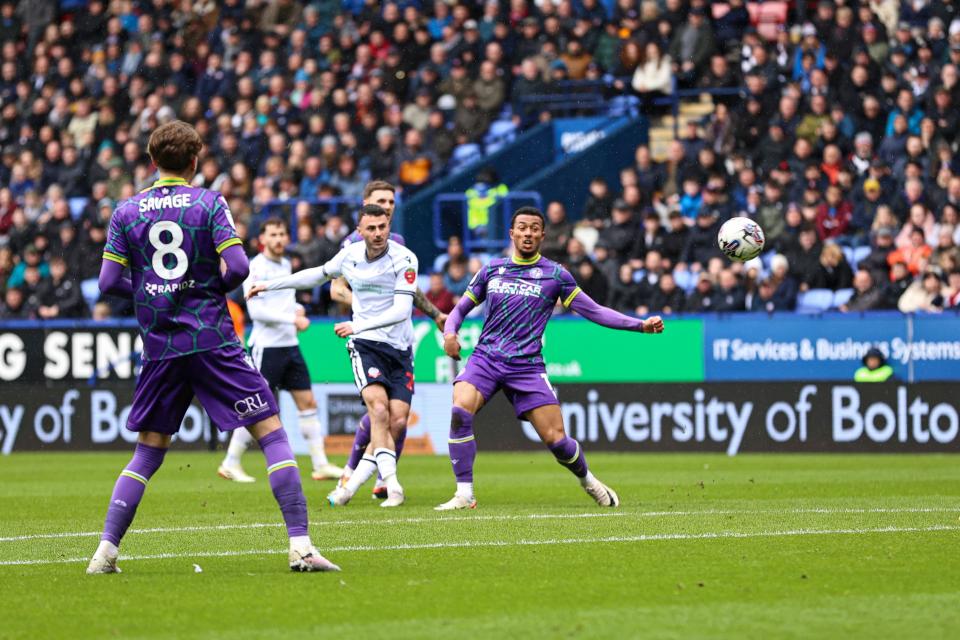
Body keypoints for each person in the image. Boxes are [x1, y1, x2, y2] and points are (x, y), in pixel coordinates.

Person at [87, 121, 339, 574]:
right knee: (271, 431)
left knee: (147, 451)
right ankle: (301, 546)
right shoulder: (208, 202)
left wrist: (152, 292)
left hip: (162, 344)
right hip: (212, 339)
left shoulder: (127, 210)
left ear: (151, 161)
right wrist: (207, 286)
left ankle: (105, 553)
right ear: (195, 160)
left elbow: (107, 282)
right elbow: (240, 267)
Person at [435, 207, 664, 510]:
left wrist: (639, 325)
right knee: (459, 411)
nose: (528, 233)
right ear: (512, 233)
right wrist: (450, 334)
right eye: (522, 228)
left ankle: (588, 481)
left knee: (557, 441)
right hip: (485, 358)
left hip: (526, 367)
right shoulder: (492, 269)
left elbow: (594, 311)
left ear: (543, 235)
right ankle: (464, 493)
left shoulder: (556, 275)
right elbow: (459, 310)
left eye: (534, 229)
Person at [249, 205, 418, 508]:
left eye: (383, 227)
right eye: (371, 228)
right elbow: (316, 276)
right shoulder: (350, 255)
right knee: (378, 411)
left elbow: (402, 311)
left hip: (400, 348)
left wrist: (357, 323)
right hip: (366, 345)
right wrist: (268, 285)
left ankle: (349, 487)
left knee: (398, 422)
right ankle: (393, 485)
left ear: (389, 226)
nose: (378, 233)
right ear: (360, 230)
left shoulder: (405, 259)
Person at [330, 180, 446, 499]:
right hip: (370, 340)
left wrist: (436, 314)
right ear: (365, 203)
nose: (388, 206)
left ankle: (369, 478)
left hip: (400, 339)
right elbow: (334, 287)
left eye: (392, 201)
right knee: (377, 411)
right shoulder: (352, 245)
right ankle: (357, 475)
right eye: (381, 200)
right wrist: (362, 305)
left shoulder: (397, 242)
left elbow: (408, 290)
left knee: (398, 419)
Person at [217, 217, 343, 484]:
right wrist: (293, 320)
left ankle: (320, 464)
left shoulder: (286, 263)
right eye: (273, 234)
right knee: (256, 406)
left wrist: (297, 309)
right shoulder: (255, 267)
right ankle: (230, 462)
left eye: (282, 234)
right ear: (262, 239)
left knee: (307, 402)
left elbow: (288, 297)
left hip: (290, 345)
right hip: (267, 347)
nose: (278, 239)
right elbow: (256, 310)